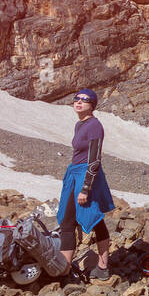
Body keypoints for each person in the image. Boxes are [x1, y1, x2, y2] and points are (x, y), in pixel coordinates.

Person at [58, 88, 115, 281]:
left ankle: (65, 270)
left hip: (86, 177)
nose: (79, 102)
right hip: (76, 175)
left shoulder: (94, 125)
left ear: (92, 105)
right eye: (77, 98)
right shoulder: (79, 124)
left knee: (72, 222)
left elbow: (94, 159)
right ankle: (102, 266)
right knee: (90, 220)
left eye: (85, 99)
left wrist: (85, 188)